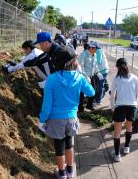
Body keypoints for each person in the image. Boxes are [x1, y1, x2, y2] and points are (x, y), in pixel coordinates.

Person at [38, 46, 95, 179]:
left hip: (56, 119)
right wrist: (86, 81)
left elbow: (47, 105)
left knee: (59, 148)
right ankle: (70, 171)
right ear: (73, 61)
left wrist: (42, 120)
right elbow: (91, 92)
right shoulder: (79, 77)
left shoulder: (52, 79)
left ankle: (61, 173)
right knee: (69, 145)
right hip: (72, 118)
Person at [110, 58, 138, 162]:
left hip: (120, 107)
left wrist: (113, 106)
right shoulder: (135, 77)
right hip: (132, 107)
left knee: (117, 132)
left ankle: (117, 154)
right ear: (127, 65)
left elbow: (112, 94)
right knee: (129, 128)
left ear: (118, 67)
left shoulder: (116, 78)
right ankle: (127, 147)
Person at [78, 41, 99, 110]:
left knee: (92, 91)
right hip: (83, 77)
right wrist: (85, 76)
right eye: (96, 49)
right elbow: (81, 67)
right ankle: (80, 107)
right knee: (81, 92)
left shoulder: (94, 55)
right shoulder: (83, 55)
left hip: (91, 76)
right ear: (91, 48)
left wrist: (98, 72)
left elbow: (95, 66)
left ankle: (89, 105)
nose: (96, 50)